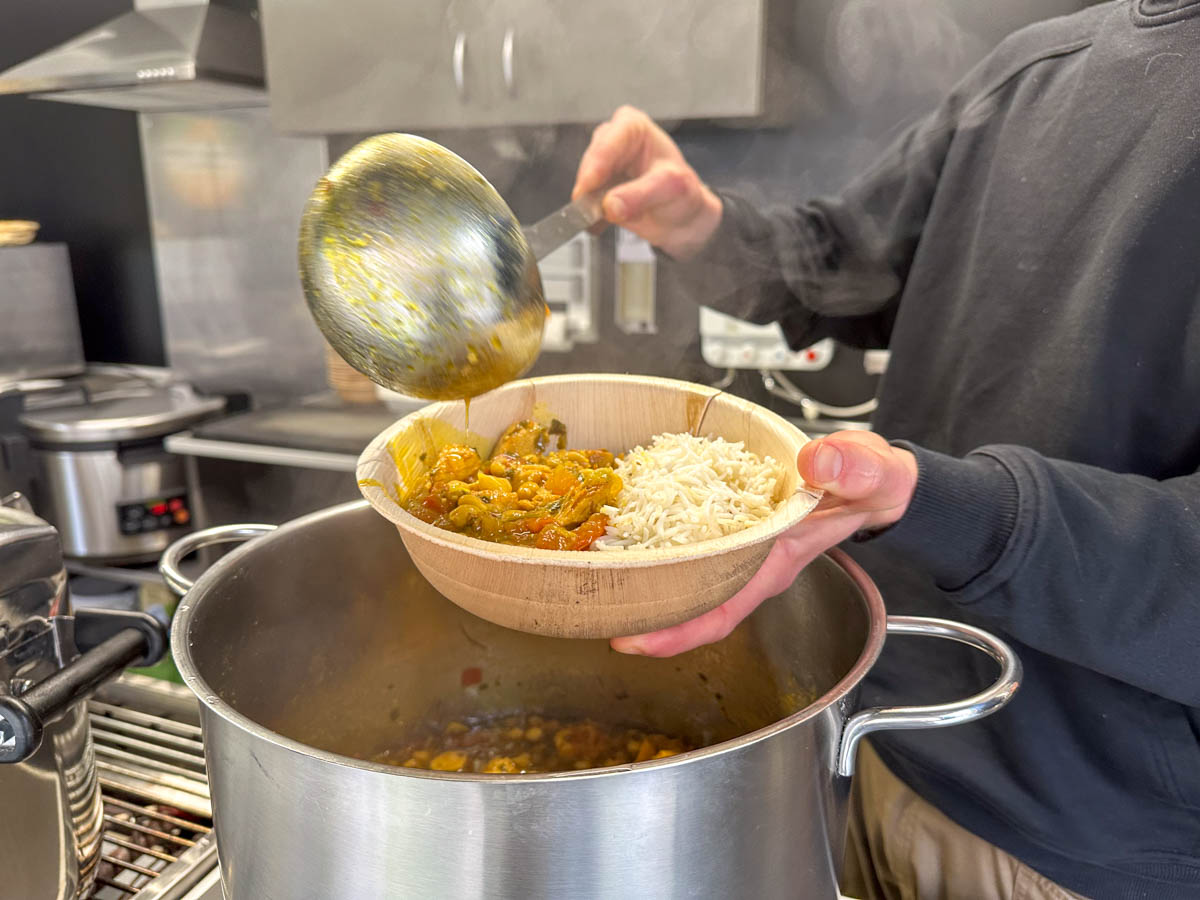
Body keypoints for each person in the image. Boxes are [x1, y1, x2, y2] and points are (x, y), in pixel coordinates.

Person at [571, 2, 1200, 898]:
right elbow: (845, 260)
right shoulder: (1030, 71)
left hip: (1088, 844)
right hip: (876, 742)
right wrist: (706, 229)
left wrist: (951, 505)